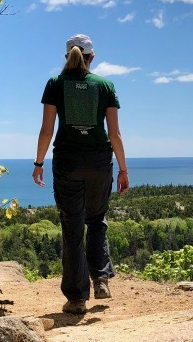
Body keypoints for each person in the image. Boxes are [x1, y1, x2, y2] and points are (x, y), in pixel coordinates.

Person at [33, 33, 130, 314]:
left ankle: (76, 298)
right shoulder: (105, 85)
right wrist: (123, 169)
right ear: (92, 57)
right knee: (97, 219)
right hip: (100, 163)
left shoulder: (55, 83)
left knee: (72, 227)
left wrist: (38, 163)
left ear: (67, 57)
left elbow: (46, 131)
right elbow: (115, 134)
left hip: (67, 164)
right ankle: (101, 279)